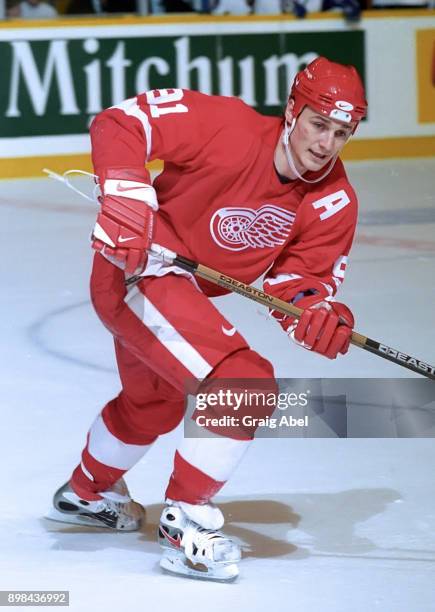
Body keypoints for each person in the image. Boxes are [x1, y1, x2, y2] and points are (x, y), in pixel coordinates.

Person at [48, 57, 367, 581]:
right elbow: (122, 122)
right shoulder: (226, 126)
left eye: (341, 132)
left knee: (152, 404)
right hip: (136, 268)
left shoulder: (333, 199)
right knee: (244, 382)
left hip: (179, 291)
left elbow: (299, 281)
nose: (325, 144)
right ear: (291, 110)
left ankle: (88, 492)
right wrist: (128, 195)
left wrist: (316, 312)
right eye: (317, 123)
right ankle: (185, 523)